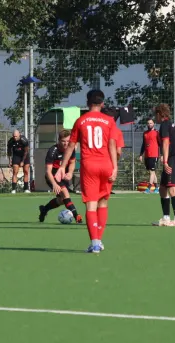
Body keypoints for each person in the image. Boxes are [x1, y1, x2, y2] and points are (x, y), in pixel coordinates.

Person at [56, 90, 118, 253]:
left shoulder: (81, 121)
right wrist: (115, 166)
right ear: (102, 103)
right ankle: (99, 239)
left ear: (88, 102)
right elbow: (112, 145)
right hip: (106, 164)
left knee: (91, 205)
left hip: (89, 166)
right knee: (103, 203)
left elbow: (71, 145)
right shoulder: (109, 121)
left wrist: (62, 167)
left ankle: (95, 243)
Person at [38, 129, 82, 224]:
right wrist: (54, 184)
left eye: (68, 141)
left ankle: (44, 209)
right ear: (58, 140)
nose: (66, 144)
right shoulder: (52, 151)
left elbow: (72, 162)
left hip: (62, 177)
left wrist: (70, 172)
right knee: (66, 194)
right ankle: (77, 216)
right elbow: (48, 172)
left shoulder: (71, 149)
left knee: (61, 200)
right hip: (52, 177)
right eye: (63, 141)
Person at [152, 103, 175, 227]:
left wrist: (165, 161)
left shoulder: (165, 124)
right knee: (163, 188)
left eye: (156, 115)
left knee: (172, 188)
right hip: (170, 157)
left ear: (159, 114)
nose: (155, 118)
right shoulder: (169, 124)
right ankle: (165, 218)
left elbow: (165, 143)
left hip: (173, 159)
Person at [139, 119, 160, 193]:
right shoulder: (145, 133)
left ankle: (149, 188)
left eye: (151, 123)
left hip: (154, 155)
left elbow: (161, 144)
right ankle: (157, 188)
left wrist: (163, 154)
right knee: (152, 172)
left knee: (152, 171)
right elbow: (143, 145)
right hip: (147, 155)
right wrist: (141, 154)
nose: (149, 124)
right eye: (148, 123)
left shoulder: (157, 133)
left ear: (154, 123)